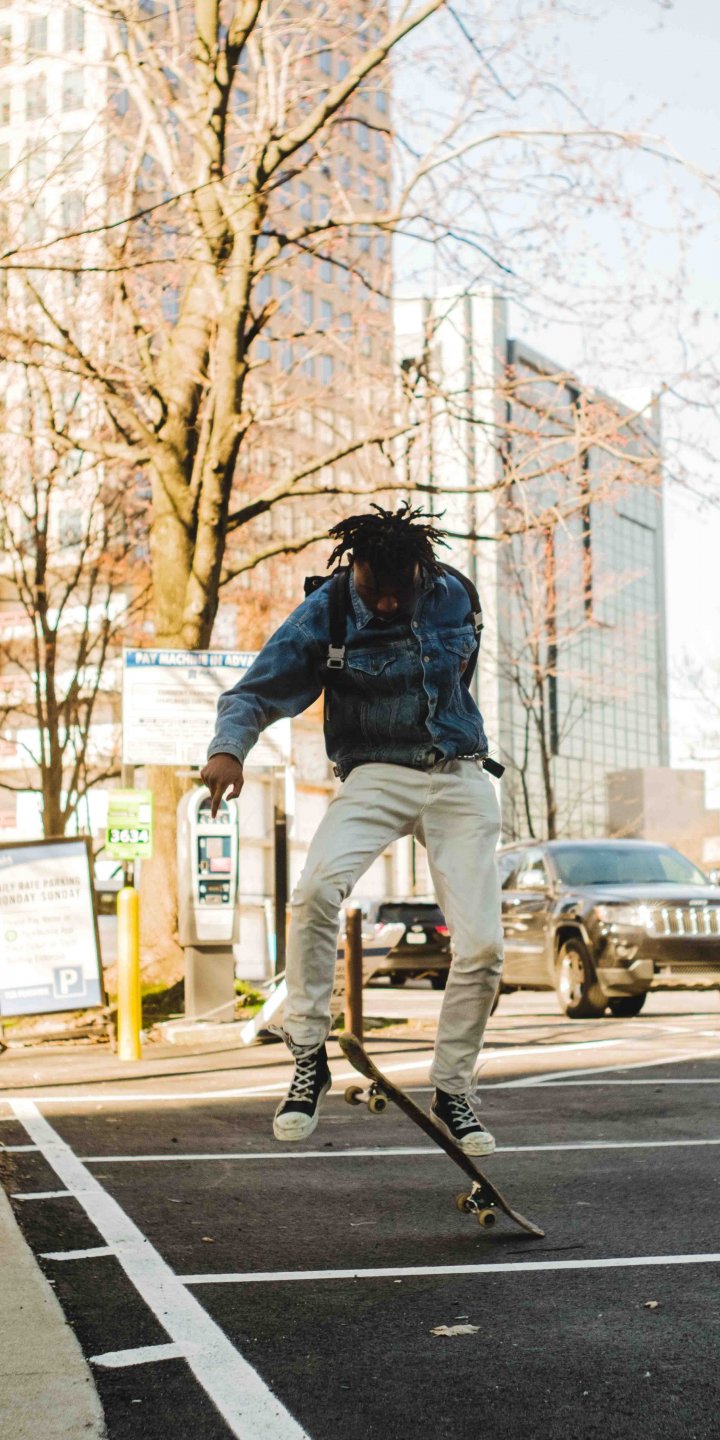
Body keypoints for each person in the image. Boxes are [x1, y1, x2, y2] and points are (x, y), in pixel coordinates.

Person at [201, 504, 503, 1154]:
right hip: (375, 774)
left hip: (459, 774)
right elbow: (253, 693)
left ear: (422, 571)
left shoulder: (455, 595)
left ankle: (453, 1090)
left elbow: (462, 677)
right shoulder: (327, 613)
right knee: (314, 893)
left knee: (483, 947)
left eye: (402, 589)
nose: (389, 602)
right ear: (355, 568)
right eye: (376, 589)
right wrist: (229, 751)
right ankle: (308, 1055)